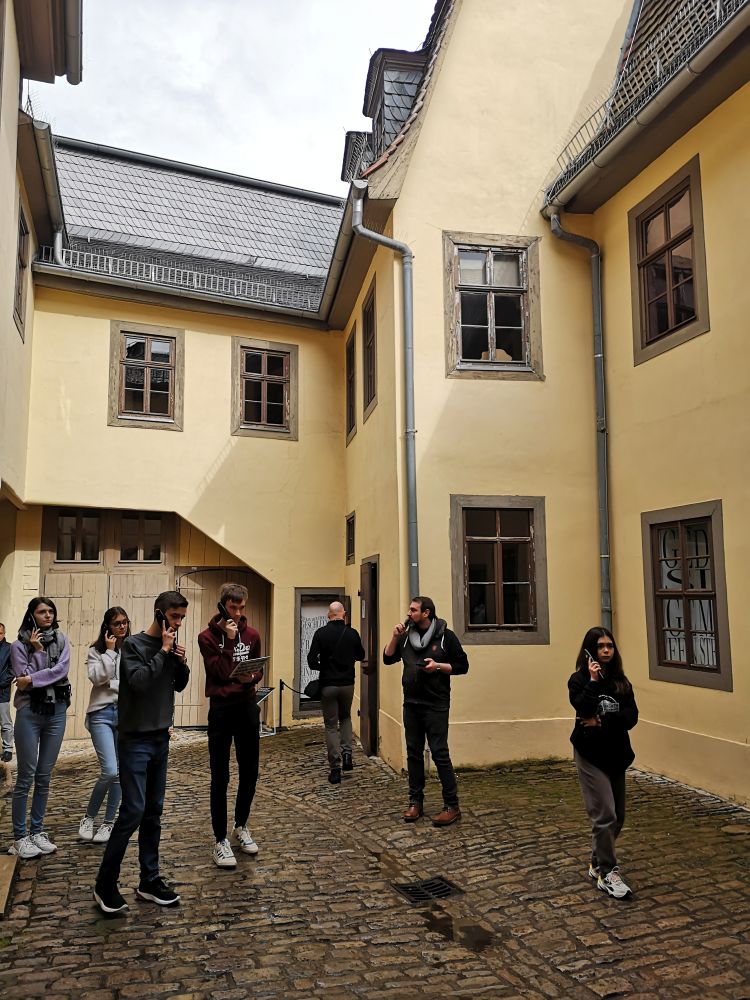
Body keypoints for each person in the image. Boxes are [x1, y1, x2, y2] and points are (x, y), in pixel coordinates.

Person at [94, 591, 189, 914]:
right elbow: (138, 683)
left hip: (160, 738)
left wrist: (180, 661)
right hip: (135, 740)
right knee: (132, 811)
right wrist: (163, 651)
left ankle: (149, 880)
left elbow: (178, 685)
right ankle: (105, 883)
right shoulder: (133, 645)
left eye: (181, 618)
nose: (178, 623)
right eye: (174, 617)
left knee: (153, 812)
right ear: (160, 614)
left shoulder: (169, 647)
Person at [383, 596, 469, 826]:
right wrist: (394, 636)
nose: (408, 613)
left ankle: (452, 806)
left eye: (413, 610)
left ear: (426, 613)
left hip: (436, 704)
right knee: (413, 753)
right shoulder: (405, 638)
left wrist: (438, 666)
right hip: (411, 704)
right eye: (409, 609)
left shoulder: (445, 636)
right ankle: (415, 802)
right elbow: (387, 658)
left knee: (440, 753)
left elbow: (462, 666)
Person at [568, 626, 638, 899]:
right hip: (590, 754)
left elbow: (631, 718)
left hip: (616, 754)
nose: (606, 650)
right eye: (600, 647)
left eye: (609, 646)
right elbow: (583, 708)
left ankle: (597, 860)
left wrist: (603, 719)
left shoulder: (621, 682)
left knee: (618, 816)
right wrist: (593, 680)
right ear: (590, 651)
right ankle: (607, 872)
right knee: (605, 814)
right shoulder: (578, 680)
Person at [198, 583, 263, 869]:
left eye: (241, 608)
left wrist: (253, 677)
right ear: (223, 606)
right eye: (233, 607)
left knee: (250, 771)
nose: (237, 613)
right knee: (220, 775)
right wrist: (228, 640)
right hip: (222, 709)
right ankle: (220, 839)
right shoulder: (207, 638)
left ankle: (241, 825)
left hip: (247, 707)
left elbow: (257, 667)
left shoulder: (252, 635)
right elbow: (220, 673)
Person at [8, 597, 71, 859]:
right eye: (42, 612)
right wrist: (38, 652)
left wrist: (32, 679)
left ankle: (37, 831)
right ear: (32, 615)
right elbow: (21, 679)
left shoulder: (62, 639)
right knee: (26, 776)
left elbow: (60, 671)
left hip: (56, 712)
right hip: (29, 713)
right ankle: (20, 837)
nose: (48, 615)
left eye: (51, 611)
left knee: (44, 776)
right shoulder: (18, 646)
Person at [79, 607, 130, 845]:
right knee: (109, 770)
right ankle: (89, 817)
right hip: (100, 714)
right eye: (117, 623)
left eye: (124, 622)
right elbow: (98, 679)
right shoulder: (96, 651)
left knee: (119, 773)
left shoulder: (131, 649)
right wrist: (109, 652)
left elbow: (132, 683)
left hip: (125, 715)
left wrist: (113, 684)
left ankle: (108, 823)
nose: (122, 627)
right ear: (107, 626)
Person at [307, 601, 365, 785]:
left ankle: (335, 768)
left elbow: (311, 661)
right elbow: (361, 655)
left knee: (331, 725)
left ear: (328, 615)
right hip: (347, 684)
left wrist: (323, 666)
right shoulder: (352, 633)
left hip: (328, 685)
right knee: (346, 717)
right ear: (344, 614)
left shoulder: (320, 633)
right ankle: (347, 754)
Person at [0, 623, 14, 763]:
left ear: (4, 633)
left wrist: (2, 683)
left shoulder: (9, 648)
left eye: (0, 633)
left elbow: (13, 669)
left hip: (2, 692)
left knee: (5, 723)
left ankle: (8, 749)